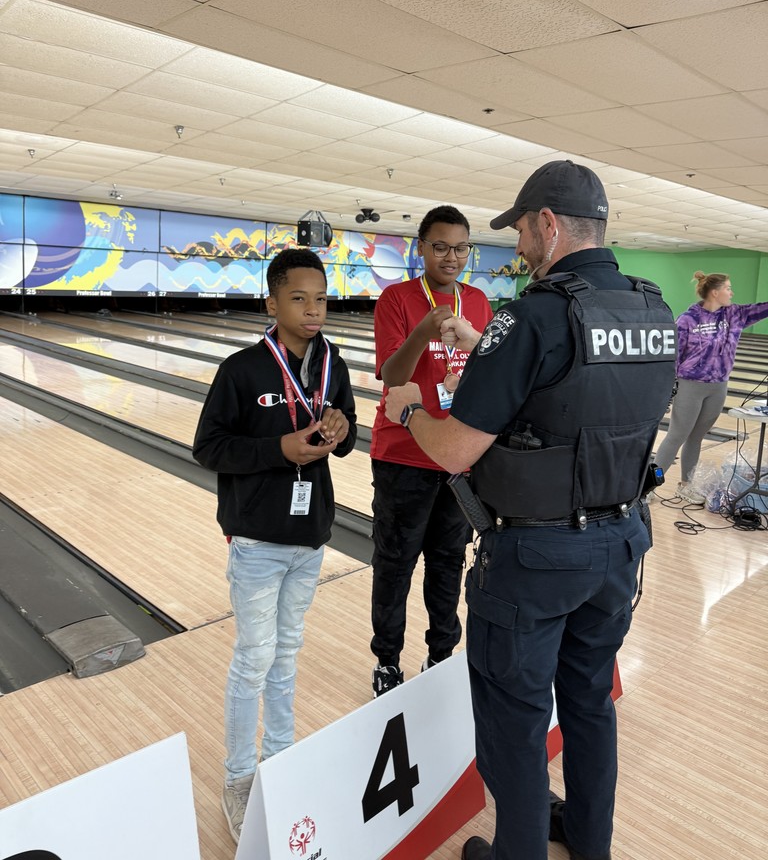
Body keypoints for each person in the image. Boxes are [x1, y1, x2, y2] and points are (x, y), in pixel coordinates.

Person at [384, 160, 676, 860]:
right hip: (620, 546)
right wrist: (487, 350)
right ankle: (589, 844)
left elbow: (457, 450)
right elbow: (578, 397)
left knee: (513, 724)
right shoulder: (651, 309)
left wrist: (412, 410)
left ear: (548, 224)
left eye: (520, 229)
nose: (517, 245)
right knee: (589, 705)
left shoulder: (531, 314)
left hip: (535, 561)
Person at [193, 247, 357, 844]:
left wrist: (341, 429)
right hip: (258, 540)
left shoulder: (332, 364)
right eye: (299, 298)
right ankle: (239, 777)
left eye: (321, 299)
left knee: (287, 654)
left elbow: (346, 431)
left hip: (310, 537)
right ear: (272, 304)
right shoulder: (241, 370)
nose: (313, 309)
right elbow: (208, 447)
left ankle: (279, 760)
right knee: (255, 657)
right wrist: (278, 450)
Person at [369, 205, 493, 697]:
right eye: (440, 246)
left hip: (456, 456)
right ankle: (387, 660)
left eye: (460, 248)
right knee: (395, 564)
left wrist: (467, 380)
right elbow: (393, 376)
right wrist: (423, 331)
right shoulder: (396, 299)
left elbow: (489, 371)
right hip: (402, 455)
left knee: (447, 561)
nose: (451, 257)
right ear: (421, 247)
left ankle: (441, 653)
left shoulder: (477, 301)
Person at [653, 271, 768, 504]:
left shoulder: (734, 314)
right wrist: (666, 388)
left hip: (718, 387)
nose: (731, 292)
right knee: (676, 436)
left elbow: (762, 308)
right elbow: (673, 356)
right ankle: (648, 488)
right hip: (690, 386)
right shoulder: (688, 320)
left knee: (696, 438)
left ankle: (686, 485)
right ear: (715, 292)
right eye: (728, 288)